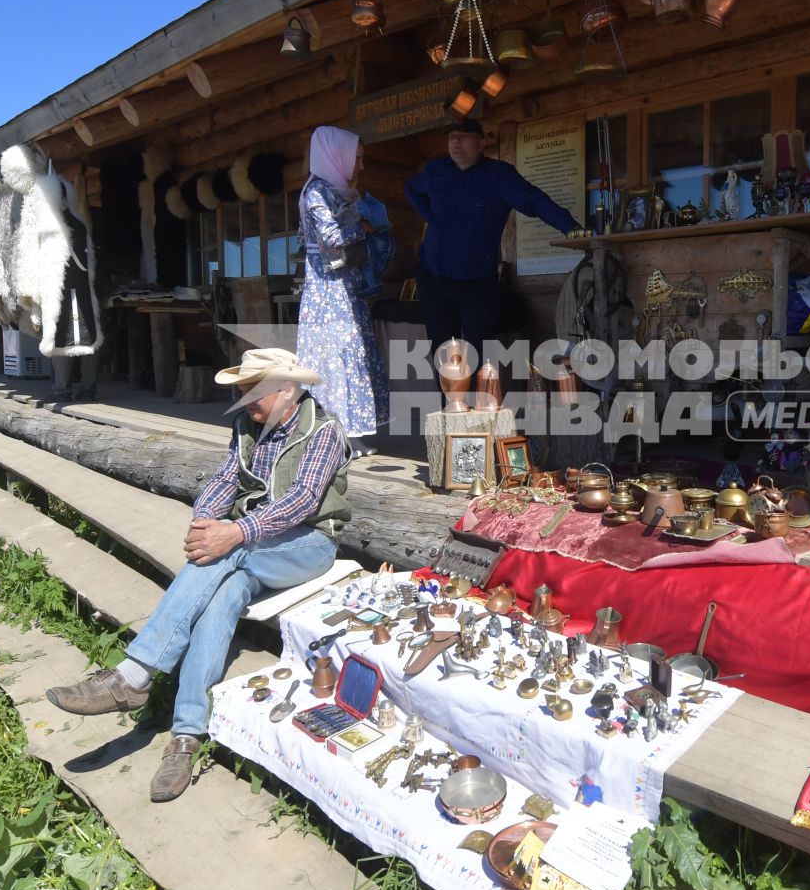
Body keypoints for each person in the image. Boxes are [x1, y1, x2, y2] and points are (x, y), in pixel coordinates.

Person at [45, 349, 347, 803]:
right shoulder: (248, 425)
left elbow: (302, 501)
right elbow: (226, 479)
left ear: (287, 390)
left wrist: (234, 532)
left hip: (308, 544)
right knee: (224, 592)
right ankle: (187, 735)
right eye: (244, 392)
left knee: (224, 556)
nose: (246, 401)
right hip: (252, 544)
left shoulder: (323, 430)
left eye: (253, 392)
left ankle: (135, 674)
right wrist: (206, 521)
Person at [405, 117, 578, 353]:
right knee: (444, 353)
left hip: (477, 281)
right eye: (451, 136)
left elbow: (533, 200)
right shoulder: (436, 171)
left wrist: (571, 228)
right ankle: (449, 393)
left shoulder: (499, 176)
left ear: (481, 142)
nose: (456, 141)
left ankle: (481, 391)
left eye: (463, 136)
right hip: (434, 277)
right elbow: (412, 188)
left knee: (477, 355)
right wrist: (431, 216)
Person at [296, 126, 387, 454]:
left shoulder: (333, 189)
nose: (360, 167)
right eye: (356, 159)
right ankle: (333, 436)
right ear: (338, 156)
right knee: (336, 361)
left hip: (345, 289)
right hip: (330, 294)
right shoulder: (317, 191)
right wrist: (363, 227)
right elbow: (331, 237)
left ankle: (347, 433)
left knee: (349, 358)